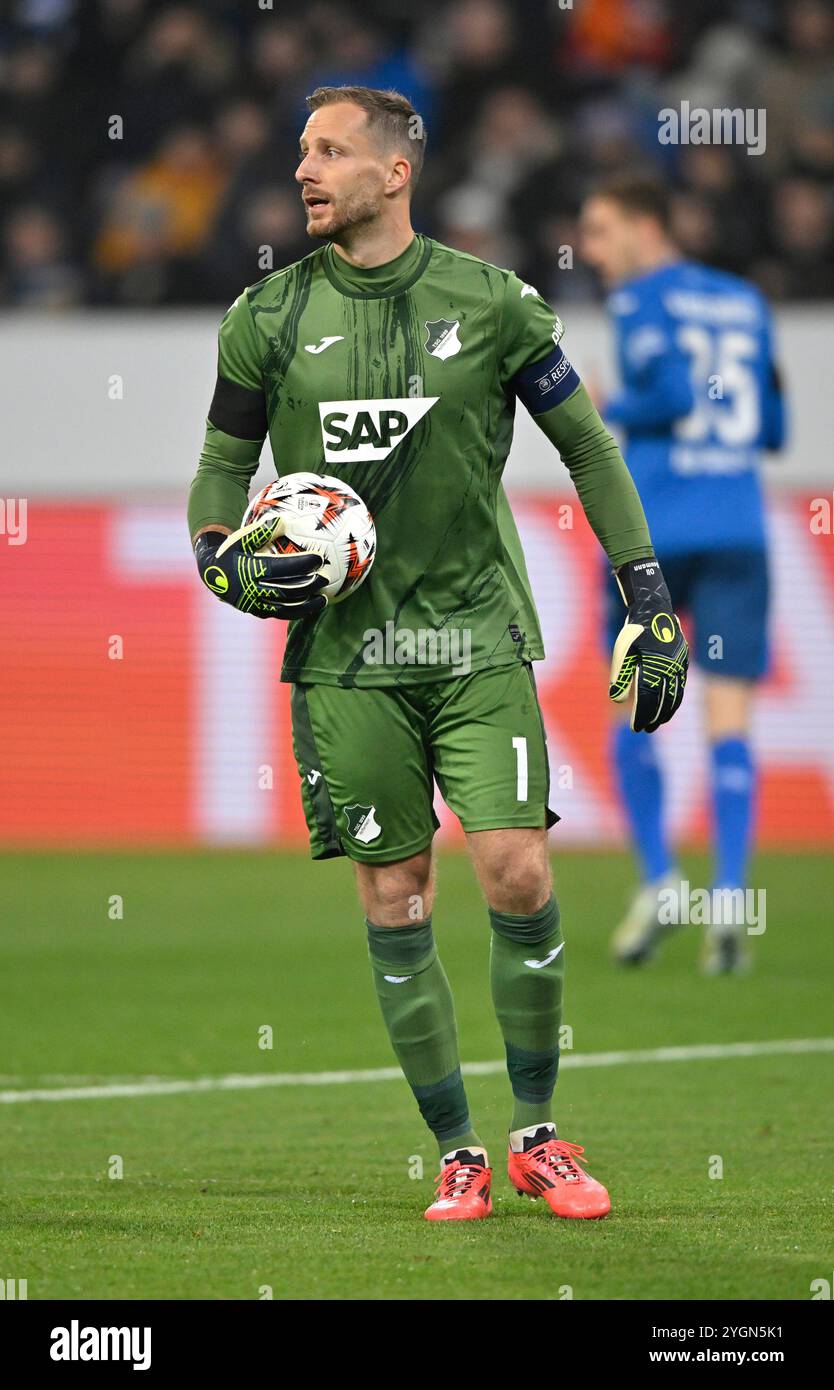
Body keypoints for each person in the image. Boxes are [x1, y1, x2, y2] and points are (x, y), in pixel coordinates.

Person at [188, 89, 688, 1221]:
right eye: (300, 150)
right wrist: (221, 558)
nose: (305, 170)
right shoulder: (265, 317)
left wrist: (647, 597)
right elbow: (221, 468)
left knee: (517, 867)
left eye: (330, 151)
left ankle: (538, 1135)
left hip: (474, 639)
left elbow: (590, 450)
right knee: (396, 896)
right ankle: (457, 1147)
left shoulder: (495, 303)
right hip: (345, 664)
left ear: (396, 171)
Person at [580, 175, 786, 975]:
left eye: (601, 232)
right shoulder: (745, 300)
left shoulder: (636, 302)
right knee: (729, 717)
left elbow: (665, 393)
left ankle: (662, 881)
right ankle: (730, 898)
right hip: (739, 529)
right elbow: (773, 425)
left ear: (644, 225)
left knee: (637, 707)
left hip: (654, 535)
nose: (593, 252)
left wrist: (605, 406)